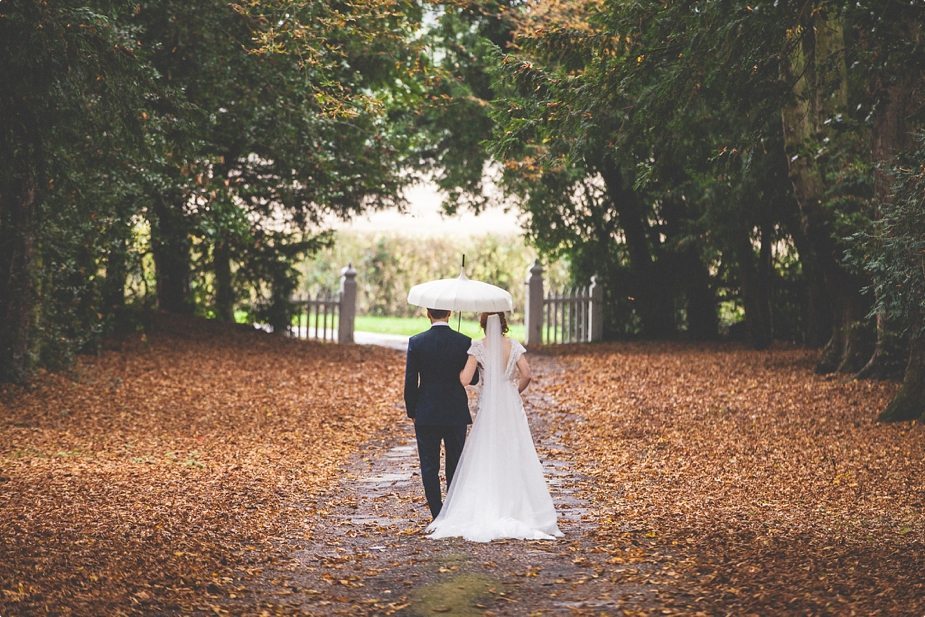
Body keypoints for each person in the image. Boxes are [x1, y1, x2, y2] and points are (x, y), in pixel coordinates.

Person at [425, 312, 563, 542]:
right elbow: (527, 374)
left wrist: (460, 369)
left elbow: (465, 379)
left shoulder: (477, 346)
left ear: (482, 324)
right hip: (509, 403)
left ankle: (487, 502)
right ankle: (520, 507)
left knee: (486, 451)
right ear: (504, 324)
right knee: (516, 450)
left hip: (489, 403)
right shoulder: (514, 345)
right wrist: (513, 391)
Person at [404, 308, 478, 519]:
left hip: (426, 411)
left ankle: (437, 514)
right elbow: (472, 379)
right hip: (455, 411)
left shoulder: (416, 342)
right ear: (450, 314)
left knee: (429, 465)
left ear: (428, 314)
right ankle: (452, 511)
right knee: (455, 463)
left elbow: (411, 381)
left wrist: (412, 410)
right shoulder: (464, 341)